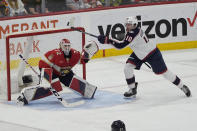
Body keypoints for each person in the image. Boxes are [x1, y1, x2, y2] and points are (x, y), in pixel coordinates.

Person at [97, 16, 191, 98]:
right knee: (127, 68)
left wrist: (107, 41)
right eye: (126, 24)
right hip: (139, 53)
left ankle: (182, 86)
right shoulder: (133, 30)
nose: (127, 26)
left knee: (165, 73)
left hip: (152, 54)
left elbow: (121, 46)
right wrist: (109, 39)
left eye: (129, 24)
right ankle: (132, 89)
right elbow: (123, 40)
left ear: (134, 24)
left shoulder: (133, 33)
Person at [17, 39, 98, 105]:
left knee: (87, 90)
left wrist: (88, 53)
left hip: (65, 73)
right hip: (52, 71)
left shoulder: (75, 54)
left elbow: (82, 61)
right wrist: (46, 76)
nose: (67, 48)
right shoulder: (55, 54)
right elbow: (43, 62)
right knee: (51, 86)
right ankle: (24, 96)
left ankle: (88, 92)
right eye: (65, 46)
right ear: (60, 46)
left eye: (68, 46)